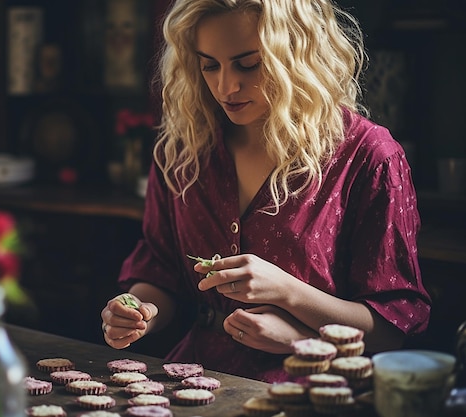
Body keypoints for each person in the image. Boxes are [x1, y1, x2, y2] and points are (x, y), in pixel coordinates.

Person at [100, 0, 431, 382]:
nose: (226, 86)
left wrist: (290, 298)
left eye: (248, 64)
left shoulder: (369, 156)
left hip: (316, 387)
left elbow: (392, 329)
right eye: (209, 65)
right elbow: (160, 272)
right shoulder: (184, 151)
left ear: (298, 53)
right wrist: (140, 311)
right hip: (194, 376)